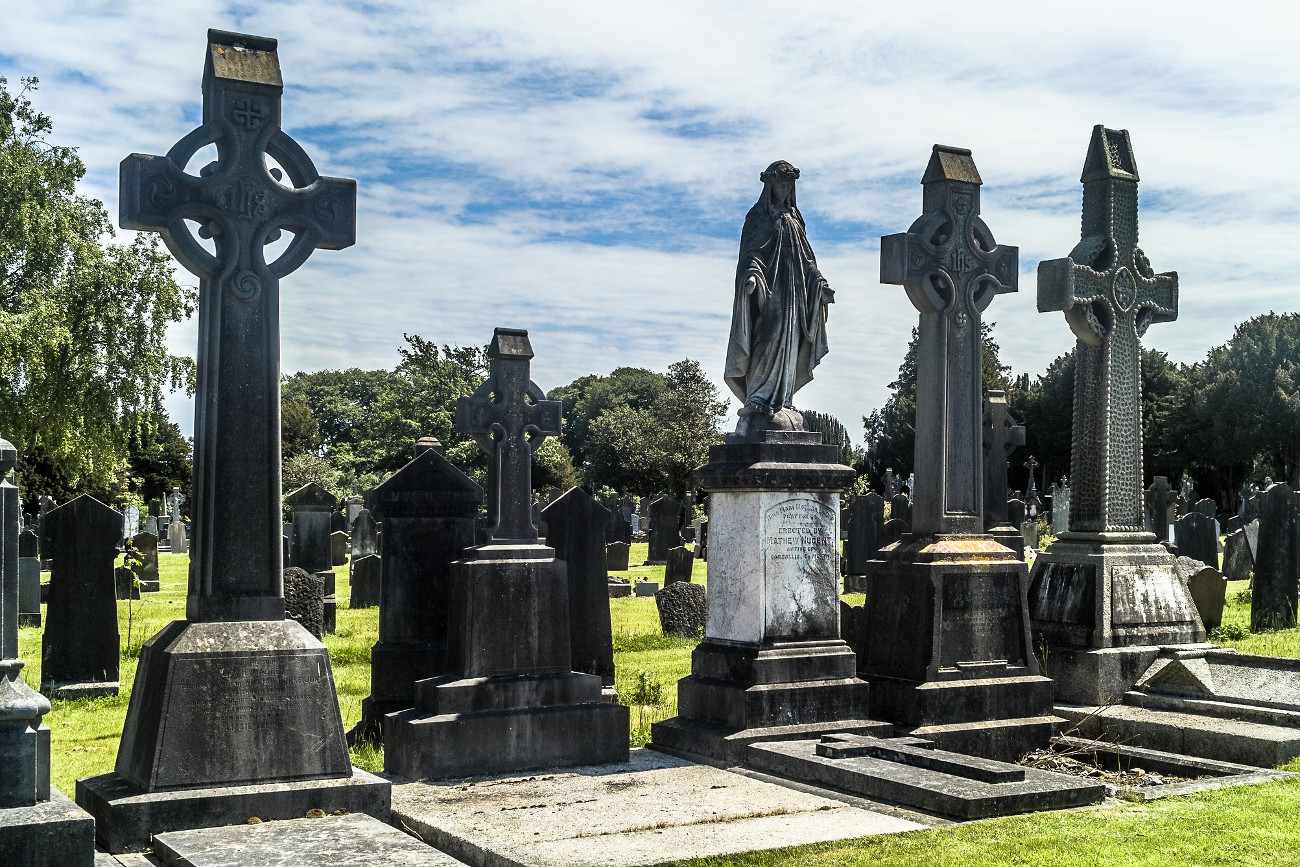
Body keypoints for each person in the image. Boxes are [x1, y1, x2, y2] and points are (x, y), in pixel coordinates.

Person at [724, 160, 833, 435]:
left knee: (790, 343)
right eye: (780, 183)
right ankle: (758, 399)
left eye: (788, 184)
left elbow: (807, 260)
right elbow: (751, 255)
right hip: (768, 292)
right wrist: (751, 275)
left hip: (795, 296)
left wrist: (820, 283)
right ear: (770, 186)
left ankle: (783, 399)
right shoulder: (758, 217)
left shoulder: (796, 219)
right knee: (768, 337)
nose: (784, 189)